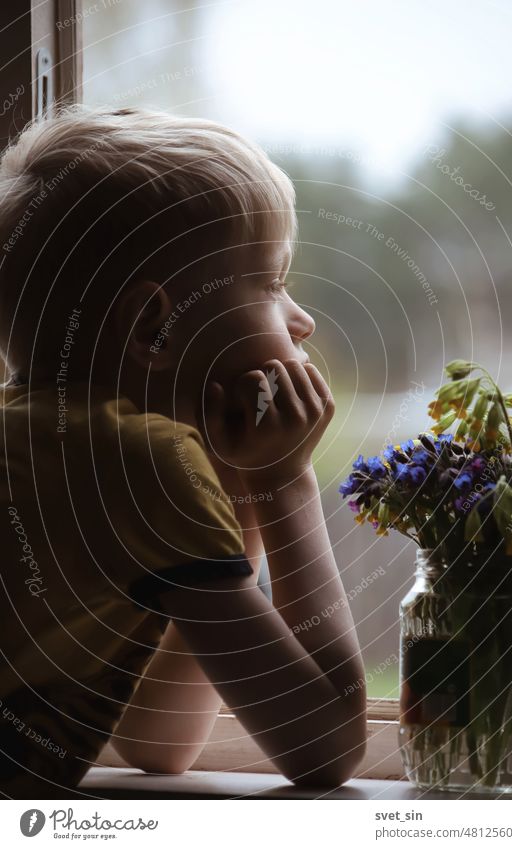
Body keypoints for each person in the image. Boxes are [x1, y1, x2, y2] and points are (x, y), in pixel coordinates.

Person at [0, 105, 366, 798]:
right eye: (272, 283)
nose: (303, 320)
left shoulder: (49, 447)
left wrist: (241, 496)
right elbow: (326, 745)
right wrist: (285, 483)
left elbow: (155, 739)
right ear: (153, 326)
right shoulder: (141, 462)